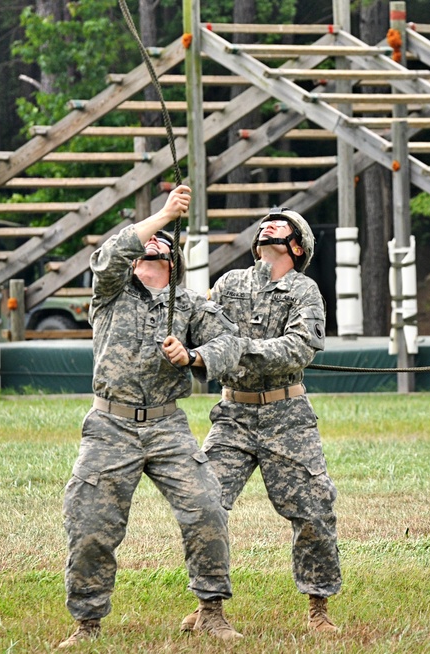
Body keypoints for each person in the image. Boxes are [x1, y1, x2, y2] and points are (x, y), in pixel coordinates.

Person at [59, 185, 245, 647]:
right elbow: (106, 256)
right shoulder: (110, 293)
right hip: (110, 425)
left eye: (159, 256)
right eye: (142, 254)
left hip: (166, 425)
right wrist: (163, 215)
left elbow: (230, 343)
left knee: (206, 508)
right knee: (90, 524)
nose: (148, 259)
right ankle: (87, 623)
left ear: (172, 267)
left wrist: (193, 356)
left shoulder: (189, 304)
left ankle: (211, 612)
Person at [167, 208, 342, 634]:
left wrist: (235, 348)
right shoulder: (229, 284)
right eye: (265, 224)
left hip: (287, 416)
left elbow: (299, 346)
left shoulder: (305, 291)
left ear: (296, 246)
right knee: (204, 504)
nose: (268, 225)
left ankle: (318, 609)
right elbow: (201, 329)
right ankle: (209, 608)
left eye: (280, 225)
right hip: (233, 415)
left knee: (314, 508)